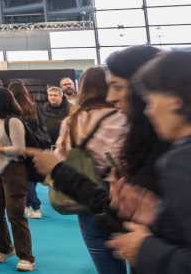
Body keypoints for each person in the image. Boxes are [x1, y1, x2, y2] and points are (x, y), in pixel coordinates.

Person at [30, 46, 169, 270]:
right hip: (112, 199)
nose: (112, 97)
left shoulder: (74, 120)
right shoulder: (130, 124)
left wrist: (55, 168)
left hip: (94, 199)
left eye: (117, 87)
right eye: (109, 87)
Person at [108, 50, 191, 272]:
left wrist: (145, 249)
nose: (149, 111)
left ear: (175, 101)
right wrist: (158, 216)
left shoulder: (180, 161)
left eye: (151, 101)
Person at [52, 67, 127, 274]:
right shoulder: (123, 115)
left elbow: (61, 158)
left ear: (82, 89)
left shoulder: (72, 121)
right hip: (127, 195)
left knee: (105, 260)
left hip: (88, 195)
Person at [0, 86, 34, 270]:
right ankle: (4, 248)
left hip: (13, 171)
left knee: (15, 214)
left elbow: (19, 149)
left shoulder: (13, 121)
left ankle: (26, 257)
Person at [8, 81, 46, 219]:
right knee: (32, 178)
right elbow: (42, 126)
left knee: (25, 179)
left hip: (20, 147)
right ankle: (33, 205)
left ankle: (33, 205)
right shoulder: (33, 106)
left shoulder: (13, 109)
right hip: (35, 146)